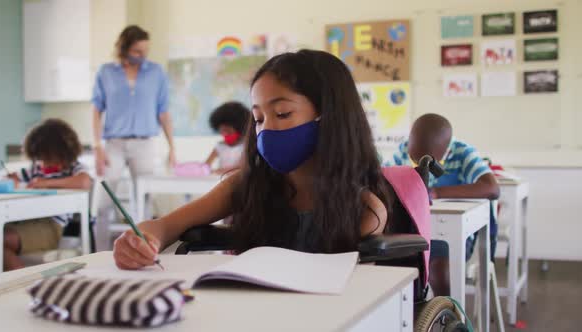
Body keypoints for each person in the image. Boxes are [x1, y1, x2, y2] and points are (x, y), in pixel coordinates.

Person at [112, 50, 396, 269]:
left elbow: (355, 296)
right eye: (258, 118)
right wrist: (142, 239)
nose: (267, 129)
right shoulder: (245, 186)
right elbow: (165, 225)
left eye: (282, 113)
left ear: (330, 116)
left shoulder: (363, 208)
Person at [387, 113, 500, 296]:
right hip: (414, 230)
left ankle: (446, 314)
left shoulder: (463, 153)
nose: (418, 164)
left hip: (453, 236)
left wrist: (437, 192)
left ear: (444, 151)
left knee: (438, 267)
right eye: (414, 158)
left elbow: (492, 188)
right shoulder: (402, 150)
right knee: (389, 259)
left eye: (426, 161)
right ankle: (411, 315)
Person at [91, 25, 175, 250]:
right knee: (103, 201)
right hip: (113, 144)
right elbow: (96, 110)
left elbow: (164, 112)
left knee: (145, 202)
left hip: (145, 143)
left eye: (145, 51)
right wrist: (97, 146)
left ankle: (142, 249)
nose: (142, 56)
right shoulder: (106, 72)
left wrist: (172, 148)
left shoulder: (156, 72)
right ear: (124, 48)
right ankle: (98, 251)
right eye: (137, 51)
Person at [4, 119, 92, 271]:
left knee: (0, 241)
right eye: (39, 158)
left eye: (47, 158)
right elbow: (16, 180)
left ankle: (22, 287)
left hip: (51, 228)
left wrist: (47, 182)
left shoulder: (73, 168)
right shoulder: (35, 169)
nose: (43, 164)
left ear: (62, 153)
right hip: (24, 223)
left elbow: (84, 182)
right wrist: (12, 180)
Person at [205, 102, 250, 174]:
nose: (225, 134)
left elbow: (241, 167)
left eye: (228, 131)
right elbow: (206, 166)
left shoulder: (246, 146)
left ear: (239, 129)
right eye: (222, 131)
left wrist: (217, 171)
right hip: (221, 180)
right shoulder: (220, 146)